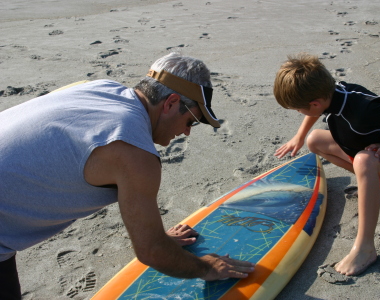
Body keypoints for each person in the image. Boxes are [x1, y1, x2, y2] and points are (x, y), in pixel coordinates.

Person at [0, 52, 254, 299]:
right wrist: (207, 268)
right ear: (171, 103)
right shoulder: (134, 155)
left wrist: (158, 238)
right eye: (191, 122)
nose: (187, 132)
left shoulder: (102, 88)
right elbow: (151, 252)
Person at [273, 53, 380, 276]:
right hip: (375, 158)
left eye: (299, 109)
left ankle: (365, 248)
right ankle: (373, 184)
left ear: (314, 103)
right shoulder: (331, 94)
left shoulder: (364, 110)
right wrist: (299, 135)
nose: (300, 113)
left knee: (364, 160)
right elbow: (316, 110)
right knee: (314, 140)